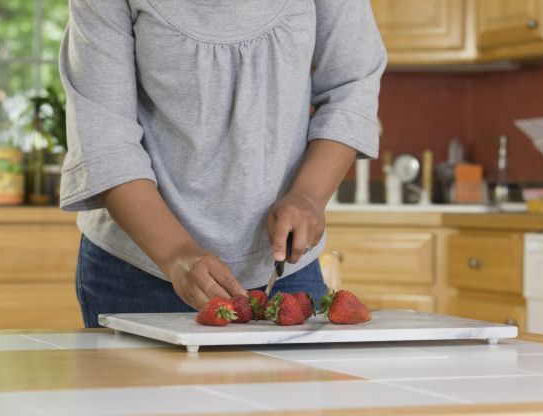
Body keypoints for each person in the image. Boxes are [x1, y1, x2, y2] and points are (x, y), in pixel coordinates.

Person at [59, 0, 386, 327]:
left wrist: (308, 196)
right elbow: (105, 138)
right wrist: (176, 254)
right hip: (136, 270)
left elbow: (352, 86)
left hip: (284, 273)